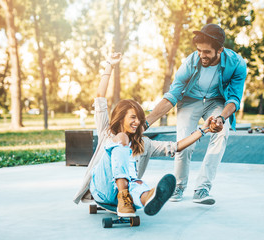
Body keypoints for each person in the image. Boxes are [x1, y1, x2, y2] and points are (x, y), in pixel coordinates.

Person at [73, 52, 215, 217]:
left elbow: (175, 147)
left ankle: (148, 197)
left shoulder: (144, 143)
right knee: (122, 140)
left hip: (124, 197)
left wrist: (203, 130)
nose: (138, 122)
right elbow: (100, 98)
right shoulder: (107, 131)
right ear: (121, 118)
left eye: (140, 119)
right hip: (102, 189)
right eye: (133, 118)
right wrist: (109, 65)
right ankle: (124, 195)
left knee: (137, 183)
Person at [145, 24, 247, 204]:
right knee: (185, 142)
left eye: (206, 52)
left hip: (217, 101)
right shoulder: (191, 62)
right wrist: (146, 123)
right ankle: (178, 186)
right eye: (199, 50)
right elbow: (172, 96)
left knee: (222, 133)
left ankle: (202, 188)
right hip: (190, 100)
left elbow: (234, 99)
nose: (202, 55)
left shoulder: (237, 64)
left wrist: (221, 118)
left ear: (220, 50)